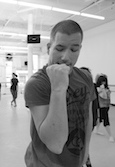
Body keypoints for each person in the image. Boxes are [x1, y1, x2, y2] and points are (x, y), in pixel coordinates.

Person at [24, 20, 96, 167]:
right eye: (59, 48)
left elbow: (88, 118)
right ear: (49, 48)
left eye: (74, 50)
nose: (66, 57)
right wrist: (58, 88)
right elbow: (55, 144)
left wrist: (86, 151)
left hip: (77, 160)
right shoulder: (38, 83)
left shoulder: (85, 77)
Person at [80, 67, 100, 167]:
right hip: (78, 122)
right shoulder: (77, 87)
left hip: (90, 121)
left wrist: (97, 118)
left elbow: (96, 104)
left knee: (84, 144)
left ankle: (87, 161)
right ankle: (87, 161)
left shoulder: (92, 86)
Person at [94, 74, 115, 142]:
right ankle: (110, 135)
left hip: (106, 106)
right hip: (101, 106)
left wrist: (106, 91)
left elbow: (108, 97)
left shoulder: (106, 88)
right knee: (105, 120)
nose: (103, 83)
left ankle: (96, 130)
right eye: (102, 82)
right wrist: (103, 90)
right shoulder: (98, 89)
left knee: (100, 119)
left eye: (104, 81)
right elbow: (104, 96)